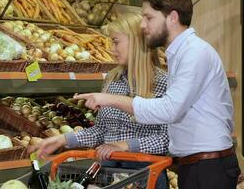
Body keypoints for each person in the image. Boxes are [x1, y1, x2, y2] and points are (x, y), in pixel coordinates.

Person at [72, 0, 241, 189]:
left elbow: (169, 110)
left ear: (173, 17)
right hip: (196, 166)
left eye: (149, 18)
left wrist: (110, 99)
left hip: (207, 168)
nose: (143, 25)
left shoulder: (194, 53)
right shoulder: (179, 54)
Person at [29, 12, 169, 189]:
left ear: (136, 42)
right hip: (109, 175)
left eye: (116, 42)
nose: (112, 49)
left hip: (146, 176)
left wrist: (125, 145)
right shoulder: (112, 79)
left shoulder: (163, 84)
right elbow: (101, 131)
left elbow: (167, 139)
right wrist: (63, 140)